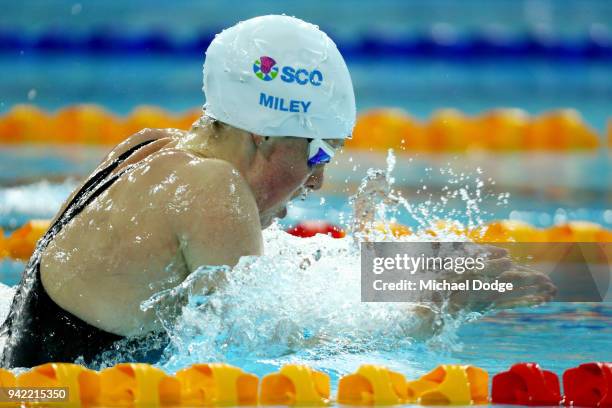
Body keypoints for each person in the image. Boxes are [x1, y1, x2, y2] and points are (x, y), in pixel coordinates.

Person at [0, 15, 554, 368]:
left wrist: (412, 270)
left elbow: (278, 285)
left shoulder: (151, 147)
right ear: (264, 130)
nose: (318, 179)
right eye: (318, 152)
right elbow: (264, 345)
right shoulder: (213, 190)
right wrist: (433, 313)